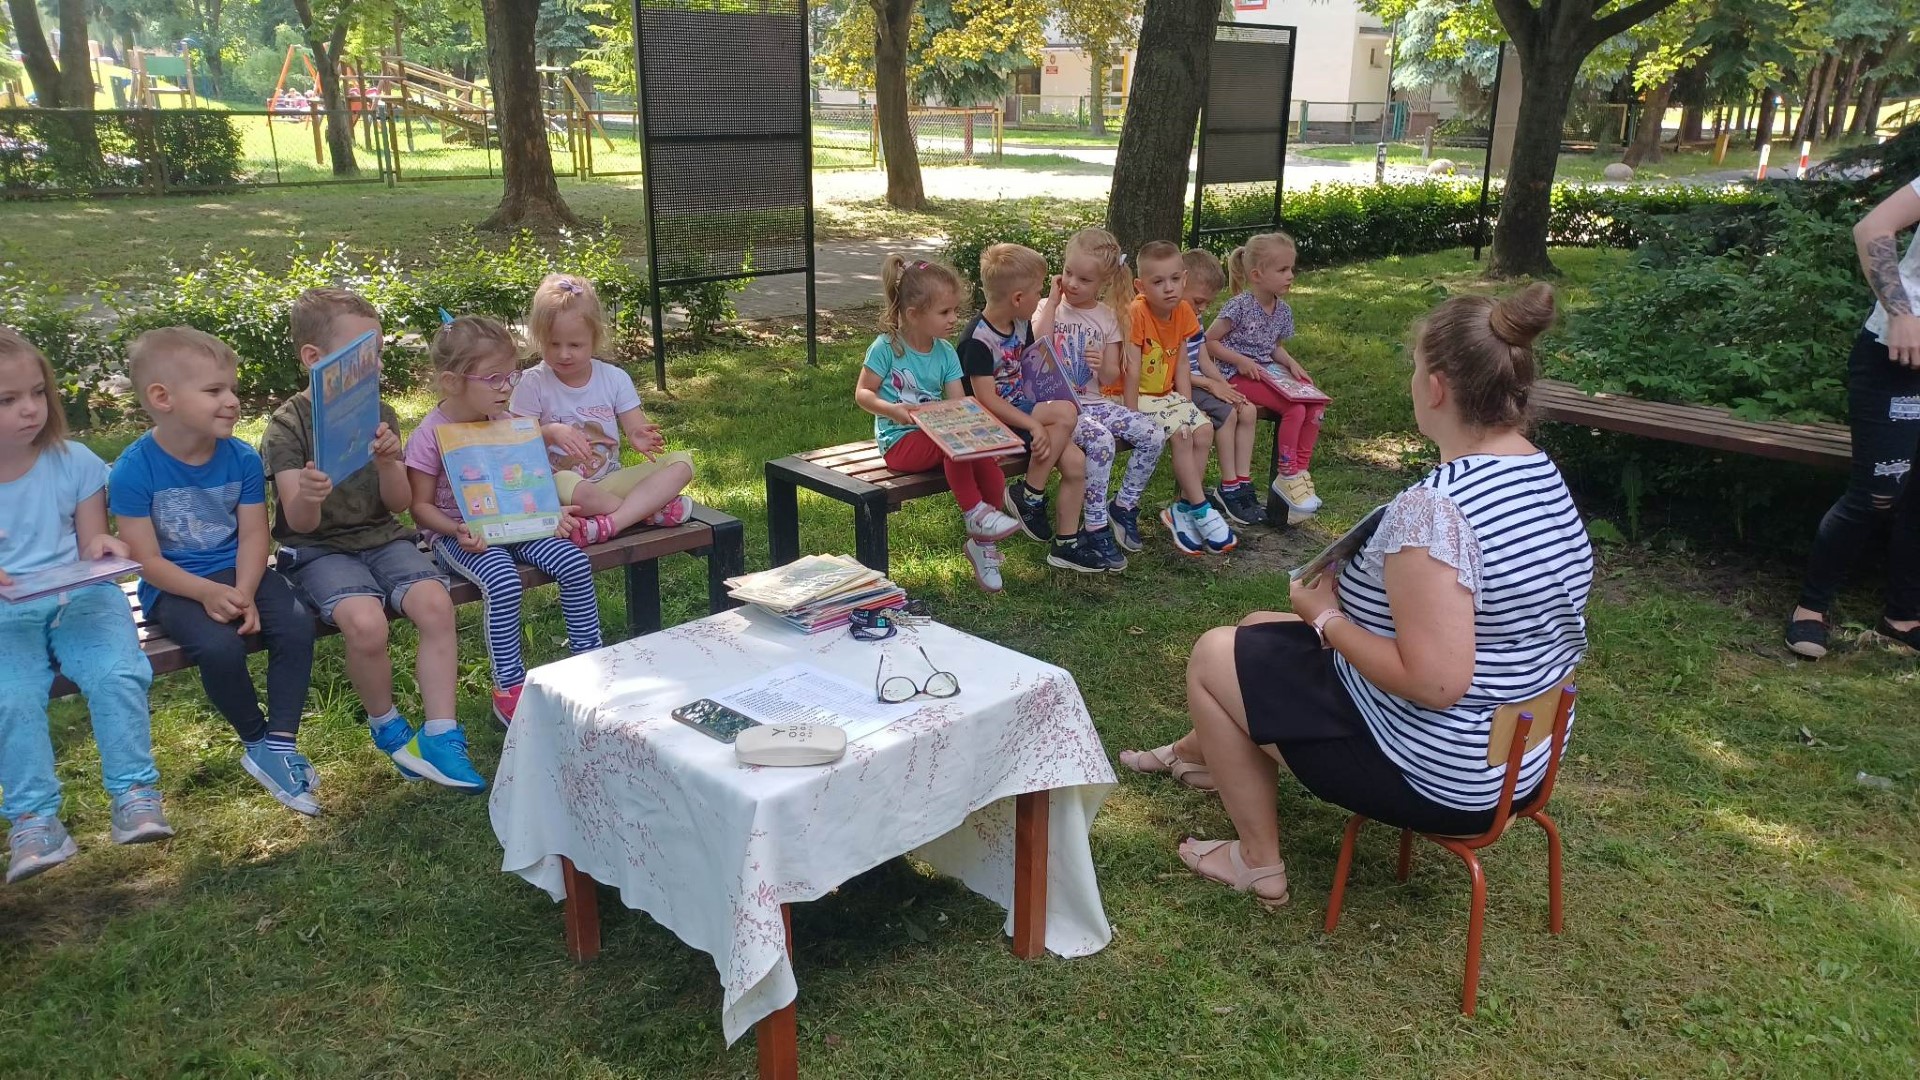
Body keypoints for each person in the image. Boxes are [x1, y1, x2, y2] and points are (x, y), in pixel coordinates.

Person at [1121, 285, 1593, 907]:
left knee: (1214, 653)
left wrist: (1325, 617)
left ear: (1437, 388)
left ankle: (1257, 862)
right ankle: (1197, 756)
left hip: (1438, 772)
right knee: (1257, 627)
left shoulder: (1437, 513)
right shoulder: (1539, 473)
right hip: (1517, 758)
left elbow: (1434, 683)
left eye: (1416, 370)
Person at [260, 288, 482, 792]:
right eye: (363, 355)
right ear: (314, 358)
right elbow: (300, 523)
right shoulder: (287, 426)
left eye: (377, 352)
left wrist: (387, 463)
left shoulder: (380, 413)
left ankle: (441, 735)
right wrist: (310, 494)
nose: (377, 364)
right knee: (366, 624)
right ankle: (388, 728)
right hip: (317, 549)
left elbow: (399, 502)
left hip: (382, 537)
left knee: (435, 604)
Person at [110, 328, 319, 816]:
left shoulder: (241, 457)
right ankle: (256, 739)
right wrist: (206, 593)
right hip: (175, 586)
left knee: (295, 623)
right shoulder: (133, 470)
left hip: (238, 571)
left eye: (232, 388)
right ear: (162, 398)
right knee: (219, 647)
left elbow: (254, 536)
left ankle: (280, 744)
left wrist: (244, 590)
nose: (232, 401)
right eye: (213, 390)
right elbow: (146, 561)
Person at [0, 328, 168, 883]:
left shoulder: (73, 462)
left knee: (116, 671)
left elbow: (92, 540)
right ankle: (33, 820)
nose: (30, 409)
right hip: (6, 612)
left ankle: (135, 794)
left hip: (80, 596)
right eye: (7, 400)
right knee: (9, 697)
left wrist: (104, 547)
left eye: (37, 393)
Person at [404, 316, 602, 725]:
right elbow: (419, 507)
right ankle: (509, 687)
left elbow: (529, 482)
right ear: (451, 381)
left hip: (517, 525)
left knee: (573, 562)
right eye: (493, 378)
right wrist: (455, 530)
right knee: (503, 578)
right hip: (459, 536)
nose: (506, 387)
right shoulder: (430, 434)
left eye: (511, 376)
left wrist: (550, 513)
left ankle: (590, 660)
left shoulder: (507, 424)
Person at [1785, 180, 1920, 658]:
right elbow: (1872, 227)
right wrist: (1901, 312)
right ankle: (1811, 607)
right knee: (1878, 493)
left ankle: (1903, 616)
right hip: (1899, 353)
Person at [855, 256, 1023, 592]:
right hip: (900, 441)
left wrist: (984, 440)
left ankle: (983, 544)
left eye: (955, 310)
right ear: (914, 314)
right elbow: (863, 394)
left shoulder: (945, 352)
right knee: (952, 445)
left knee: (987, 464)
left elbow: (960, 406)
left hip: (936, 437)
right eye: (944, 312)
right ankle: (975, 514)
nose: (954, 319)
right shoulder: (886, 348)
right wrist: (894, 410)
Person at [511, 274, 695, 545]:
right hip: (563, 488)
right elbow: (512, 443)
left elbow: (635, 426)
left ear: (595, 338)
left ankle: (611, 523)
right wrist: (549, 432)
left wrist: (638, 435)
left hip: (610, 481)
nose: (563, 354)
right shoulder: (533, 383)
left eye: (575, 345)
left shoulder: (614, 378)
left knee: (681, 463)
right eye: (553, 344)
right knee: (566, 483)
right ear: (539, 338)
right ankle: (645, 511)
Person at [958, 243, 1107, 572]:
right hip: (993, 423)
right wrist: (1036, 423)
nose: (1041, 295)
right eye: (1038, 291)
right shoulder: (977, 340)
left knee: (1075, 462)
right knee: (1066, 412)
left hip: (1021, 412)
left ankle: (1065, 544)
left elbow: (1029, 365)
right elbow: (986, 400)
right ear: (1017, 298)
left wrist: (1040, 411)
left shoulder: (1020, 323)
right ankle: (1029, 495)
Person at [1040, 227, 1162, 566]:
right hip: (1060, 408)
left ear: (1103, 282)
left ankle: (1123, 506)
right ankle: (1094, 525)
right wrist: (1051, 303)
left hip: (1094, 402)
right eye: (1068, 273)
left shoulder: (1107, 317)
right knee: (1102, 440)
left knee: (1153, 433)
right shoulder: (1048, 308)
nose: (1072, 283)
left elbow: (1110, 377)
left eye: (1084, 279)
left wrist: (1100, 365)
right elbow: (1038, 345)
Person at [1206, 231, 1328, 524]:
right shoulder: (1239, 306)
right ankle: (1287, 474)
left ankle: (1300, 470)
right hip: (1235, 375)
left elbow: (1274, 347)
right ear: (1257, 275)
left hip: (1268, 373)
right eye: (1283, 269)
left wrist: (1292, 364)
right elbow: (1209, 341)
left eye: (1291, 269)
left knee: (1315, 406)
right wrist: (1240, 360)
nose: (1291, 276)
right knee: (1294, 408)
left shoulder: (1283, 310)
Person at [1124, 241, 1237, 555]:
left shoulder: (1184, 311)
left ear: (1184, 279)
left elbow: (1183, 364)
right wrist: (1130, 413)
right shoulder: (1137, 312)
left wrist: (1186, 404)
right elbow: (1132, 368)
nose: (1169, 288)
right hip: (1138, 396)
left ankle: (1183, 509)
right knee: (1183, 435)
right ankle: (1200, 508)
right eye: (1158, 282)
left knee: (1204, 429)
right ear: (1141, 286)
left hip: (1165, 394)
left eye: (1175, 279)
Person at [1182, 249, 1265, 527]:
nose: (1203, 309)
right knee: (1228, 414)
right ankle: (1228, 487)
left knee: (1247, 409)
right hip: (1183, 385)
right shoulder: (1173, 319)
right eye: (1199, 301)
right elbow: (1173, 372)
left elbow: (1203, 358)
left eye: (1208, 303)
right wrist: (1211, 385)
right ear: (1181, 282)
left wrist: (1222, 383)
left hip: (1200, 382)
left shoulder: (1193, 317)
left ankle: (1242, 481)